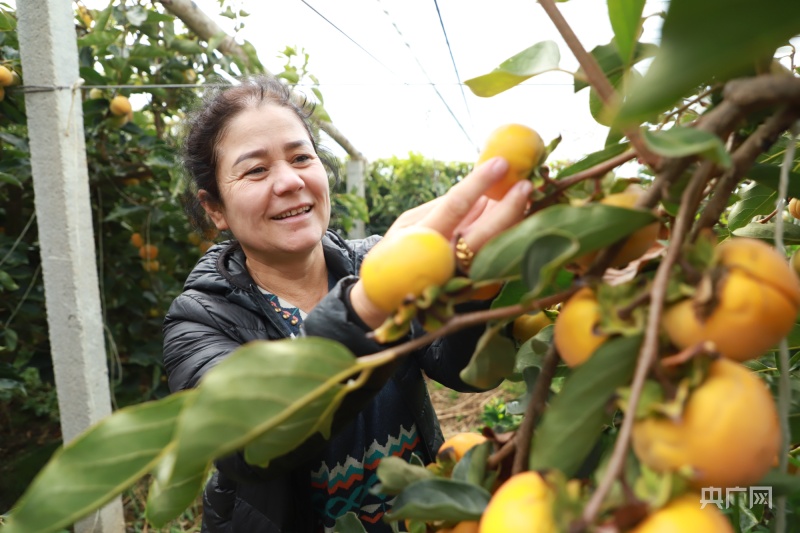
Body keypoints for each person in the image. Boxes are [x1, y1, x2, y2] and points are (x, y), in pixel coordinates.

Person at [162, 74, 532, 533]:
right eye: (256, 170)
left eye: (301, 157)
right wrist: (370, 301)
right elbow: (250, 445)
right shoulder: (198, 320)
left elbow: (460, 368)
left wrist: (475, 287)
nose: (289, 181)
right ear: (214, 208)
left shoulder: (378, 260)